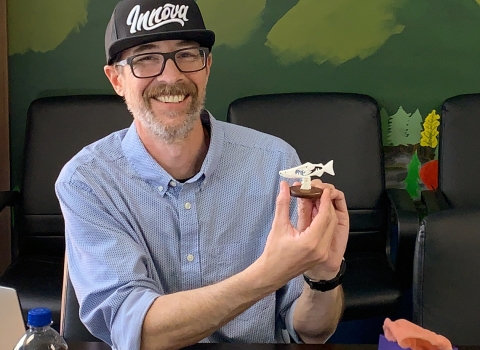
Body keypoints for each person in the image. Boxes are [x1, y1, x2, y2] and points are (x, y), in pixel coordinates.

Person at [55, 0, 350, 349]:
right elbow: (139, 333)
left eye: (187, 54)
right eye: (145, 58)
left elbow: (312, 333)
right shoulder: (87, 181)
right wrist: (268, 273)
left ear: (207, 66)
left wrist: (322, 278)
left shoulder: (275, 162)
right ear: (117, 79)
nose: (171, 76)